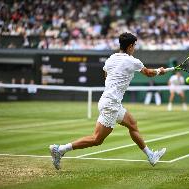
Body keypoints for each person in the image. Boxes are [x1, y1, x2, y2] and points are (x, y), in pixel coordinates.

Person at [49, 32, 167, 169]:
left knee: (133, 125)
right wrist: (160, 71)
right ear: (129, 47)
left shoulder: (110, 59)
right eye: (134, 46)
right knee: (97, 139)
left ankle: (150, 156)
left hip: (110, 102)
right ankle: (60, 149)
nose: (134, 48)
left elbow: (106, 76)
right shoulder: (133, 61)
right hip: (111, 105)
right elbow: (148, 73)